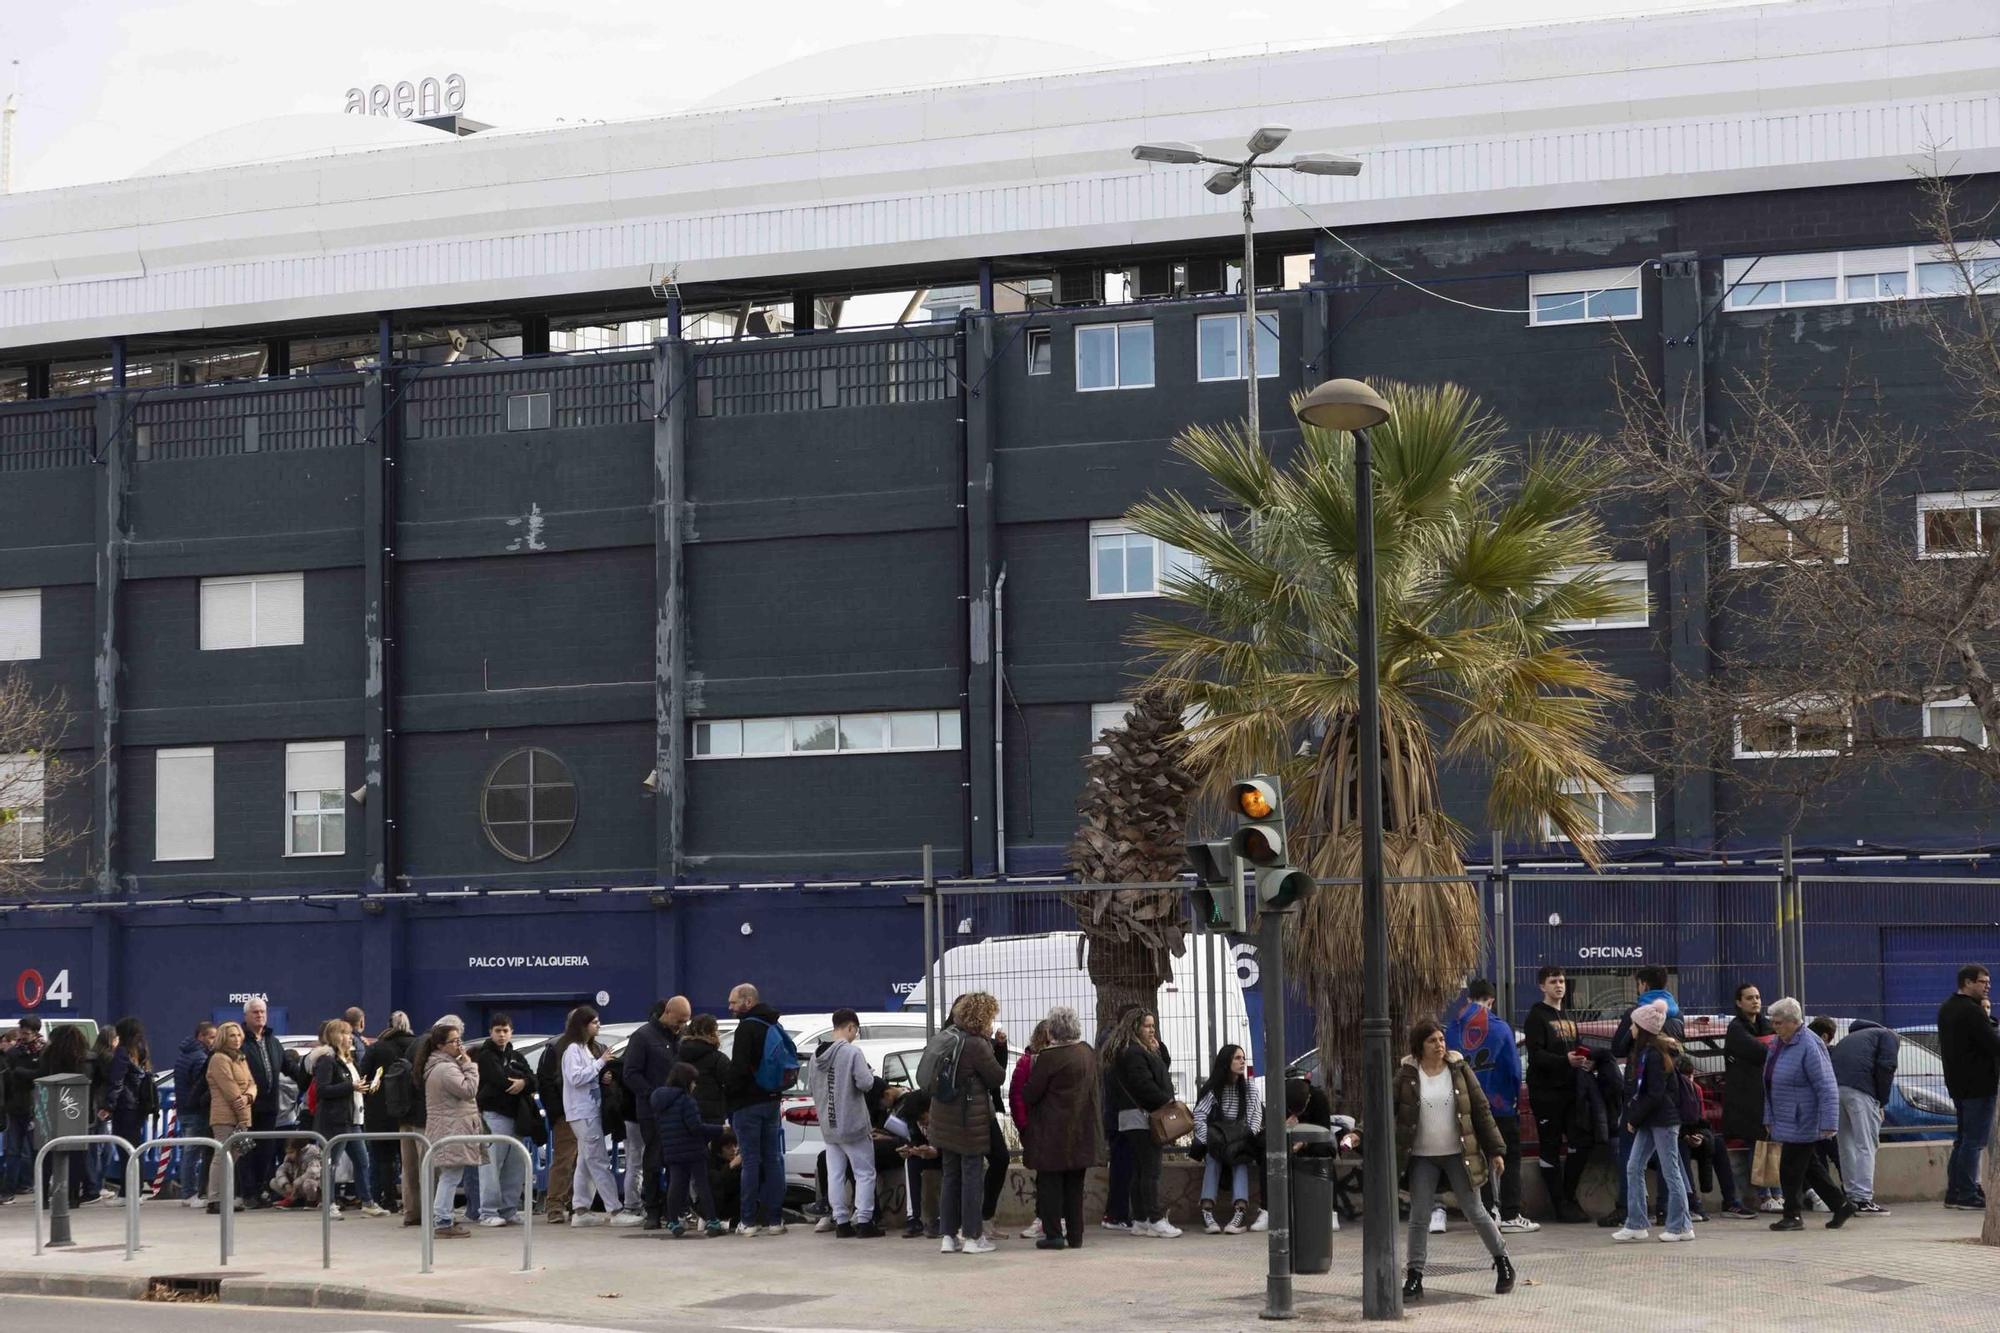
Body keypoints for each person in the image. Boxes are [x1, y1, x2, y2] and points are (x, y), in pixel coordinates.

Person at [1395, 1020, 1515, 1300]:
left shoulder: (1459, 1070)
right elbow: (1384, 1108)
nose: (1439, 1045)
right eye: (1432, 1041)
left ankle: (1503, 1262)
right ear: (1419, 1047)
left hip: (1459, 1154)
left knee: (1475, 1210)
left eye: (1441, 1039)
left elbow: (1481, 1110)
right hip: (1423, 1157)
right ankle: (1414, 1276)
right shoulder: (1407, 1074)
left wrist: (1496, 1150)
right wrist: (1358, 1134)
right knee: (1419, 1216)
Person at [920, 990, 1007, 1253]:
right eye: (990, 1018)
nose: (992, 1023)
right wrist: (993, 1046)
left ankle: (948, 1236)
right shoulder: (976, 1044)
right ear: (981, 1018)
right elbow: (997, 1078)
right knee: (972, 1176)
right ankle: (972, 1236)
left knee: (951, 1176)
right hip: (970, 1120)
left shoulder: (946, 1037)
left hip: (943, 1118)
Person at [1762, 997, 1855, 1231]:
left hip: (1803, 1117)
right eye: (1773, 1022)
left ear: (1794, 1022)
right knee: (1810, 1167)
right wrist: (1769, 1116)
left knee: (1790, 1168)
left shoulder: (1809, 1045)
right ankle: (1841, 1204)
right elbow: (1769, 1082)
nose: (1775, 1027)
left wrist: (1828, 1122)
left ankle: (1792, 1215)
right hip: (1786, 1116)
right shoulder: (1779, 1043)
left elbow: (1826, 1085)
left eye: (1779, 1023)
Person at [1451, 979, 1535, 1235]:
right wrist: (1511, 1099)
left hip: (1466, 1106)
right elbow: (1512, 1068)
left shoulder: (1453, 1029)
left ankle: (1487, 1212)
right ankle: (1511, 1213)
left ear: (1468, 999)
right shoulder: (1500, 1028)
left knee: (1477, 1158)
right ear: (1491, 1000)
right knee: (1508, 1156)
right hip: (1499, 1105)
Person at [1605, 967, 1683, 1228]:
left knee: (1632, 1157)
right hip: (1668, 1098)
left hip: (1641, 1098)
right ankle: (1662, 1211)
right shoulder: (1676, 1015)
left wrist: (1630, 1030)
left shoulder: (1638, 1017)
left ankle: (1632, 1211)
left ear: (1643, 984)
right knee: (1664, 1161)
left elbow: (1616, 1048)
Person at [1020, 1005, 1098, 1251]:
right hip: (1082, 1130)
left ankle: (1054, 1234)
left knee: (1050, 1185)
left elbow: (1031, 1094)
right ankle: (1076, 1235)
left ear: (1052, 1030)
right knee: (1075, 1186)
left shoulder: (1049, 1058)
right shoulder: (1086, 1052)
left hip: (1053, 1133)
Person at [722, 983, 795, 1236]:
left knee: (750, 1162)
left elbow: (740, 1069)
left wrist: (728, 1092)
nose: (729, 1007)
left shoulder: (747, 1028)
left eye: (733, 1002)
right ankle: (775, 1220)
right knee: (773, 1159)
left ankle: (748, 1221)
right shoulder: (773, 1025)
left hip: (747, 1104)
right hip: (772, 1100)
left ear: (748, 1001)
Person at [1522, 965, 1591, 1223]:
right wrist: (1565, 1061)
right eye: (1553, 981)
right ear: (1542, 986)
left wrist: (1585, 1061)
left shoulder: (1569, 1016)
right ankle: (1558, 1203)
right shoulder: (1536, 1017)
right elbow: (1537, 1055)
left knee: (1580, 1141)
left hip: (1572, 1090)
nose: (1559, 985)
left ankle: (1569, 1196)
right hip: (1546, 1093)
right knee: (1549, 1146)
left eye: (1561, 981)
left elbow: (1576, 1047)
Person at [1105, 1007, 1179, 1239]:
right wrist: (1167, 1101)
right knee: (1150, 1170)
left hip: (1133, 1117)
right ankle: (1155, 1219)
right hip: (1142, 1117)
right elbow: (1144, 1085)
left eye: (1153, 1026)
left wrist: (1157, 1052)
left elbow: (1160, 1070)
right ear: (1135, 1026)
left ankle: (1140, 1219)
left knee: (1139, 1170)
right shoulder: (1134, 1053)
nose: (1151, 1030)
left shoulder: (1134, 1050)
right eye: (1147, 1026)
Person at [558, 1005, 635, 1227]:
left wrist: (601, 1077)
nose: (598, 1025)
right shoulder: (573, 1049)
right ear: (582, 1026)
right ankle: (615, 1210)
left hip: (588, 1111)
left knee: (585, 1161)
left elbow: (587, 1076)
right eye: (594, 1022)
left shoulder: (584, 1049)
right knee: (599, 1161)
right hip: (583, 1113)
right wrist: (600, 1062)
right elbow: (575, 1078)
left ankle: (580, 1209)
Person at [1812, 1015, 1897, 1216]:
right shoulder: (1888, 1035)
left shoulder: (1847, 1039)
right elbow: (1887, 1067)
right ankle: (1863, 1198)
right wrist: (1881, 1101)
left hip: (1836, 1090)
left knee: (1845, 1143)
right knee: (1866, 1144)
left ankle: (1850, 1195)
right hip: (1861, 1091)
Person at [810, 1008, 884, 1238]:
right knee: (864, 1173)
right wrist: (869, 1074)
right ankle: (864, 1220)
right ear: (851, 1027)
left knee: (836, 1174)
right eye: (856, 1031)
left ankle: (841, 1221)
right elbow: (865, 1083)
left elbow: (812, 1088)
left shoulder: (815, 1056)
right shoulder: (852, 1053)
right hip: (853, 1124)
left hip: (829, 1126)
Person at [622, 995, 689, 1229]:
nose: (681, 1025)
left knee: (677, 1161)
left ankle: (675, 1210)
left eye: (685, 1022)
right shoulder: (643, 1037)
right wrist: (653, 1095)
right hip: (652, 1111)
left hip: (678, 1109)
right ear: (667, 1012)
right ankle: (652, 1209)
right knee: (653, 1159)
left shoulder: (680, 1037)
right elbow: (630, 1073)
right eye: (679, 1020)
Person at [414, 1019, 483, 1238]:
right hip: (451, 1128)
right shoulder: (445, 1069)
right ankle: (442, 1220)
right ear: (440, 1046)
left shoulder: (439, 1066)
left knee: (450, 1175)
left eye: (459, 1040)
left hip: (449, 1127)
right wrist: (470, 1065)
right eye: (454, 1042)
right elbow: (469, 1089)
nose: (459, 1046)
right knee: (451, 1176)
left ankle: (443, 1218)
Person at [1939, 963, 1999, 1211]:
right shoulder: (1971, 1011)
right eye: (1983, 982)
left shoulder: (1947, 1008)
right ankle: (1967, 1193)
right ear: (1967, 982)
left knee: (1962, 1140)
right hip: (1979, 1084)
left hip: (1958, 1083)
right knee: (1974, 1141)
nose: (1988, 987)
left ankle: (1954, 1192)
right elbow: (1992, 1044)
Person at [311, 1018, 384, 1218]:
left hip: (354, 1119)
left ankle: (367, 1201)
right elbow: (323, 1090)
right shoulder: (328, 1060)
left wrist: (362, 1087)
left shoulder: (348, 1060)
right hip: (336, 1121)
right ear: (335, 1036)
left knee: (362, 1161)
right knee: (331, 1163)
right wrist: (350, 1087)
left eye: (350, 1033)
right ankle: (329, 1203)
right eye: (345, 1033)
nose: (350, 1037)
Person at [473, 1013, 537, 1228]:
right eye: (498, 1030)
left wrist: (524, 1082)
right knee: (491, 1166)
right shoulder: (485, 1056)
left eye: (505, 1030)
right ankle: (487, 1212)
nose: (502, 1035)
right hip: (494, 1117)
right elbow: (498, 1079)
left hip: (517, 1117)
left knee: (515, 1166)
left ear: (511, 1032)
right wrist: (521, 1082)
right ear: (490, 1032)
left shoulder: (517, 1055)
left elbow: (533, 1080)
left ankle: (509, 1210)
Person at [652, 1062, 728, 1237]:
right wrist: (720, 1129)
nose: (694, 1085)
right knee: (703, 1185)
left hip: (672, 1149)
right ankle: (712, 1220)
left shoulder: (661, 1101)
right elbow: (695, 1127)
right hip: (693, 1150)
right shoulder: (687, 1101)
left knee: (676, 1185)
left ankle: (672, 1221)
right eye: (693, 1082)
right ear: (686, 1082)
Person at [1192, 1043, 1262, 1236]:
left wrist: (1246, 1138)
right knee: (1213, 1160)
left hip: (1240, 1140)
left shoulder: (1249, 1088)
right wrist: (1209, 1141)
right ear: (1226, 1062)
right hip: (1217, 1141)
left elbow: (1255, 1118)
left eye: (1243, 1058)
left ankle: (1239, 1212)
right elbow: (1199, 1115)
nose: (1242, 1062)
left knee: (1239, 1161)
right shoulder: (1214, 1088)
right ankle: (1207, 1211)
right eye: (1237, 1058)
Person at [240, 998, 302, 1209]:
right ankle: (247, 1192)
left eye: (263, 1012)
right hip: (247, 1108)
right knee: (246, 1152)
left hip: (269, 1108)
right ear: (246, 1016)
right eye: (255, 1012)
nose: (260, 1015)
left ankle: (260, 1190)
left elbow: (290, 1068)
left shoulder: (273, 1042)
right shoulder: (240, 1041)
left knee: (265, 1153)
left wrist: (309, 1075)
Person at [359, 1012, 419, 1224]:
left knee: (381, 1159)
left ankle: (385, 1199)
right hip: (410, 1112)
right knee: (410, 1161)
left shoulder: (377, 1047)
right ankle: (412, 1202)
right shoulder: (416, 1045)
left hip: (380, 1111)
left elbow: (362, 1075)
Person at [204, 1021, 255, 1214]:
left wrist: (249, 1096)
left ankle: (225, 1196)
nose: (236, 1039)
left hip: (242, 1114)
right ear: (224, 1038)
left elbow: (252, 1084)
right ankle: (215, 1198)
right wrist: (243, 1116)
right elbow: (230, 1090)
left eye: (238, 1035)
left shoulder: (241, 1058)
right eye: (232, 1035)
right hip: (225, 1116)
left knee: (233, 1157)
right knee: (221, 1155)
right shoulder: (219, 1059)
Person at [1008, 1020, 1050, 1240]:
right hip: (1036, 1128)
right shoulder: (1027, 1062)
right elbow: (1017, 1097)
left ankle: (1051, 1217)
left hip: (1052, 1127)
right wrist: (1025, 1127)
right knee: (1044, 1174)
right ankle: (1043, 1217)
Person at [106, 1017, 153, 1199]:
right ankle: (136, 1190)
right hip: (138, 1106)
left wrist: (108, 1105)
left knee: (125, 1149)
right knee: (135, 1149)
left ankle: (127, 1193)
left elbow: (117, 1081)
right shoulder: (142, 1051)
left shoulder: (122, 1052)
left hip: (124, 1106)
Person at [172, 1021, 217, 1208]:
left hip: (184, 1109)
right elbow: (202, 1084)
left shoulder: (185, 1054)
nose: (214, 1041)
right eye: (211, 1037)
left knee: (189, 1152)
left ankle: (189, 1192)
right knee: (192, 1152)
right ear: (201, 1037)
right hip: (195, 1111)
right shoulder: (200, 1058)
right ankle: (190, 1193)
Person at [886, 1088, 941, 1238]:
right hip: (929, 1155)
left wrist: (934, 1151)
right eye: (919, 1121)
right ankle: (913, 1218)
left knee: (951, 1166)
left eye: (923, 1118)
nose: (923, 1123)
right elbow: (915, 1140)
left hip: (946, 1156)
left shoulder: (945, 1116)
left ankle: (944, 1217)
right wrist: (912, 1149)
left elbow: (953, 1146)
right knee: (911, 1162)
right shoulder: (914, 1121)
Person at [3, 1017, 45, 1200]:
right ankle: (8, 1190)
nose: (23, 1036)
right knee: (13, 1150)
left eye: (26, 1033)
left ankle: (40, 1187)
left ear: (35, 1033)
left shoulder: (44, 1051)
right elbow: (8, 1076)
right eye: (22, 1032)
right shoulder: (13, 1053)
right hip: (16, 1106)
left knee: (38, 1150)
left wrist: (22, 1074)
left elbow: (43, 1075)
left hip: (36, 1108)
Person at [270, 1138, 324, 1209]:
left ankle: (312, 1202)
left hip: (315, 1185)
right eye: (287, 1153)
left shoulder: (313, 1153)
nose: (289, 1155)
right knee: (273, 1182)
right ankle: (295, 1200)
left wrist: (297, 1182)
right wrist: (286, 1184)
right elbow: (280, 1171)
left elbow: (313, 1172)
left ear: (300, 1150)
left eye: (291, 1152)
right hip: (298, 1188)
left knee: (308, 1183)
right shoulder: (289, 1158)